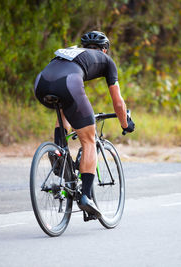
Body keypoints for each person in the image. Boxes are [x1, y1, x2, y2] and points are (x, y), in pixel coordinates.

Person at [34, 31, 135, 218]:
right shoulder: (106, 60)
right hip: (68, 83)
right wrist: (125, 123)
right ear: (104, 49)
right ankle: (86, 197)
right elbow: (118, 103)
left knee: (64, 107)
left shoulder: (71, 52)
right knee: (88, 139)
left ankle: (58, 153)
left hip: (41, 83)